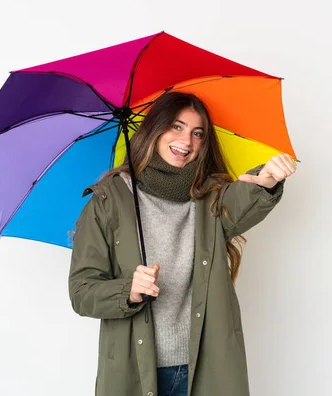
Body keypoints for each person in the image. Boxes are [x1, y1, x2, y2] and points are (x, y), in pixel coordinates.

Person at [68, 91, 296, 396]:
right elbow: (82, 292)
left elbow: (241, 201)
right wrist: (129, 290)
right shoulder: (108, 200)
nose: (186, 141)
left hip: (204, 368)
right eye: (176, 127)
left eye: (197, 133)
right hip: (133, 370)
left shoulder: (211, 196)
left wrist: (265, 180)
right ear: (154, 129)